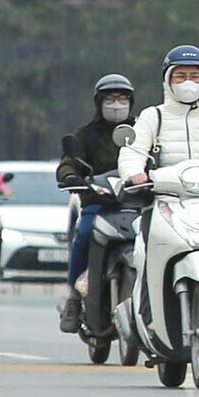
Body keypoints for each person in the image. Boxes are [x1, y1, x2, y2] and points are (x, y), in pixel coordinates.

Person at [54, 73, 134, 333]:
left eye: (122, 98)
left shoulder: (142, 132)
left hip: (134, 205)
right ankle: (74, 299)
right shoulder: (85, 134)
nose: (116, 104)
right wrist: (70, 176)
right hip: (97, 204)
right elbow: (69, 161)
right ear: (99, 102)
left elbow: (157, 158)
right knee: (84, 234)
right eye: (110, 98)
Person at [116, 46, 199, 187]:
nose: (188, 82)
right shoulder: (152, 115)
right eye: (180, 76)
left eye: (195, 76)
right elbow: (133, 151)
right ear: (168, 80)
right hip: (165, 197)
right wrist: (133, 173)